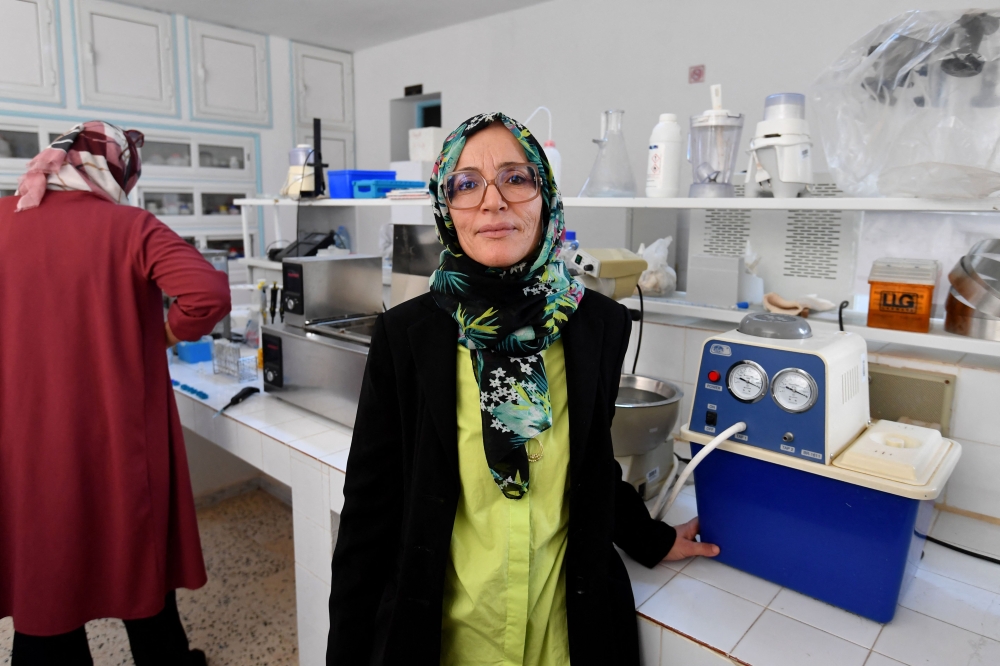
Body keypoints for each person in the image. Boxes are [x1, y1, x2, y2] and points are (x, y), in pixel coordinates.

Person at [327, 112, 719, 665]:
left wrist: (651, 539)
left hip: (563, 639)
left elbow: (591, 460)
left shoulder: (597, 326)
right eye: (467, 184)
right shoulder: (407, 337)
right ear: (446, 207)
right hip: (450, 641)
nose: (493, 201)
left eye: (516, 177)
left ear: (546, 196)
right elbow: (370, 513)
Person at [0, 122, 231, 665]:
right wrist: (164, 332)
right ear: (113, 171)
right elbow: (207, 293)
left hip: (25, 436)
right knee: (138, 560)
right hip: (116, 432)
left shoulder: (5, 224)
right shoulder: (128, 226)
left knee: (45, 570)